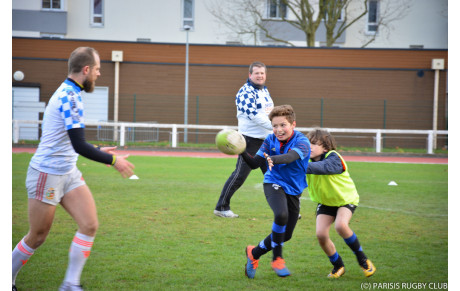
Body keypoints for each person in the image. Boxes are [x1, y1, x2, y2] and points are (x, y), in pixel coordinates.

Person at [12, 47, 135, 291]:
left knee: (89, 225)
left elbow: (71, 140)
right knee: (37, 236)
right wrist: (114, 161)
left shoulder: (73, 93)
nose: (99, 74)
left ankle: (70, 284)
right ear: (86, 70)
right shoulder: (69, 96)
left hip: (68, 173)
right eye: (98, 69)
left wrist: (99, 148)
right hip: (47, 173)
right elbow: (79, 145)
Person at [242, 105, 310, 278]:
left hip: (294, 189)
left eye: (283, 125)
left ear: (293, 124)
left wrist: (273, 159)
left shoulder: (302, 141)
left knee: (285, 235)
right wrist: (241, 150)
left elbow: (290, 157)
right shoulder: (269, 140)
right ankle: (277, 258)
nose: (278, 130)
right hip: (273, 183)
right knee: (281, 215)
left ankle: (254, 253)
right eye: (275, 126)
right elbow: (255, 163)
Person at [306, 128, 376, 278]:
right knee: (321, 235)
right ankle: (338, 265)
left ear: (325, 147)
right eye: (307, 143)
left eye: (313, 144)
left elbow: (325, 168)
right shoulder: (306, 161)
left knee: (341, 225)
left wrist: (300, 166)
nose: (309, 147)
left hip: (346, 199)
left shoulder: (334, 157)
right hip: (326, 202)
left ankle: (362, 259)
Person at [214, 61, 274, 218]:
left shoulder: (264, 91)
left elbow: (269, 112)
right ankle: (221, 208)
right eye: (257, 73)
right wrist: (275, 126)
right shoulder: (245, 92)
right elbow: (253, 115)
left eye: (262, 73)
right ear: (250, 75)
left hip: (266, 141)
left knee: (274, 175)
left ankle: (286, 209)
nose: (260, 76)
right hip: (249, 141)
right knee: (240, 176)